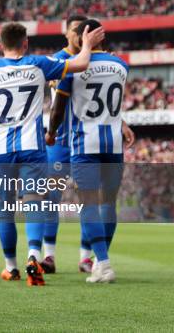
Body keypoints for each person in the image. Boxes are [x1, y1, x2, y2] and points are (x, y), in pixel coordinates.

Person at [0, 22, 104, 286]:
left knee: (6, 210)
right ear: (25, 43)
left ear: (0, 46)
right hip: (32, 147)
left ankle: (10, 267)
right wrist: (87, 45)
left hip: (1, 148)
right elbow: (80, 64)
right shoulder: (39, 63)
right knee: (35, 201)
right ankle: (34, 256)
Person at [44, 16, 135, 274]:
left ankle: (100, 262)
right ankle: (96, 260)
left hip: (84, 140)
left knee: (89, 203)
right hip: (113, 142)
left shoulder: (72, 66)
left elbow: (59, 106)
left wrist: (51, 132)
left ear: (84, 36)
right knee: (108, 203)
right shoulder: (121, 64)